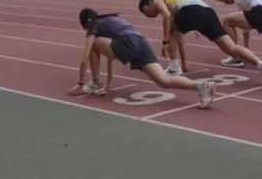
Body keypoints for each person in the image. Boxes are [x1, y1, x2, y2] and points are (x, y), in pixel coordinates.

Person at [70, 8, 216, 108]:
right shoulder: (109, 20)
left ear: (86, 23)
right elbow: (110, 54)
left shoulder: (93, 26)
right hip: (141, 42)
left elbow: (85, 57)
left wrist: (80, 83)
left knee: (93, 44)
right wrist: (109, 80)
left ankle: (96, 83)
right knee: (163, 80)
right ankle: (201, 86)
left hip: (127, 43)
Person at [138, 0, 262, 85]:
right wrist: (184, 64)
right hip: (208, 12)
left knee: (169, 28)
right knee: (230, 47)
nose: (146, 15)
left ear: (150, 3)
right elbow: (179, 38)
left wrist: (165, 41)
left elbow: (167, 17)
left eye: (145, 11)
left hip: (193, 11)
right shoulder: (173, 5)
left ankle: (174, 67)